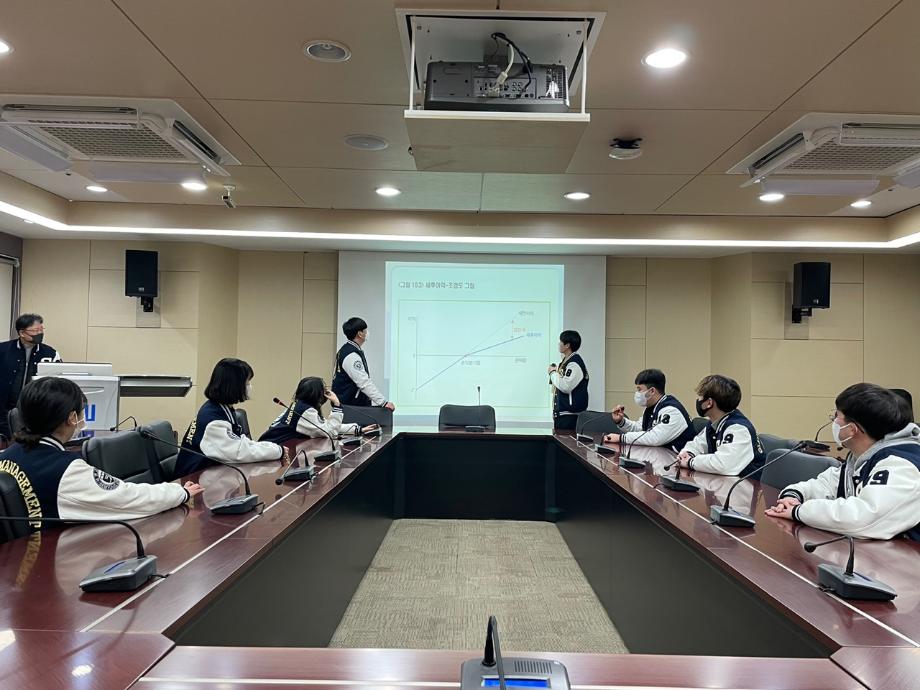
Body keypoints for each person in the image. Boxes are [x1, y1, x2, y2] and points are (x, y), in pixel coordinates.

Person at [0, 376, 202, 524]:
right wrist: (180, 492)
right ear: (72, 418)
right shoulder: (65, 470)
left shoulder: (7, 455)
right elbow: (128, 499)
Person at [766, 383, 920, 540]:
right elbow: (824, 485)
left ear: (852, 429)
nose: (833, 421)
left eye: (836, 416)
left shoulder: (901, 465)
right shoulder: (862, 456)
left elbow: (863, 519)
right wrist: (792, 497)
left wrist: (798, 511)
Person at [175, 358, 285, 478]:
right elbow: (239, 453)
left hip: (210, 474)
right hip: (194, 480)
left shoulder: (220, 407)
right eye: (247, 383)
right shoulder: (213, 419)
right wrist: (278, 451)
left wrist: (272, 448)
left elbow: (240, 442)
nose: (249, 386)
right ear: (234, 385)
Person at [675, 374, 765, 477]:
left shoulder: (738, 429)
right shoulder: (715, 423)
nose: (698, 400)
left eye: (700, 396)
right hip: (725, 481)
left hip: (749, 484)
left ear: (709, 403)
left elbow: (724, 465)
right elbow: (697, 444)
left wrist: (691, 462)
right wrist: (687, 454)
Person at [259, 376, 377, 443]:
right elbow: (330, 432)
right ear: (316, 394)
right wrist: (337, 405)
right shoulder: (305, 412)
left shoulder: (299, 406)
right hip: (273, 449)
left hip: (274, 446)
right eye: (323, 391)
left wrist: (357, 429)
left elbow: (324, 426)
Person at [602, 368, 696, 452]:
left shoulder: (672, 410)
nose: (637, 393)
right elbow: (640, 429)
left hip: (676, 460)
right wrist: (621, 422)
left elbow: (655, 438)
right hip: (659, 456)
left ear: (652, 391)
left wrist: (621, 438)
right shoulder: (651, 407)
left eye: (639, 389)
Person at [0, 313, 61, 438]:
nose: (40, 333)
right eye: (35, 330)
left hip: (36, 411)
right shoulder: (3, 350)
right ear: (22, 333)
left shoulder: (50, 353)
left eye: (41, 329)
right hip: (3, 410)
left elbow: (59, 381)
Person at [331, 317, 395, 411]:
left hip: (349, 404)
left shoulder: (347, 350)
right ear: (360, 334)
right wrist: (383, 402)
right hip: (350, 406)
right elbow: (363, 382)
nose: (367, 332)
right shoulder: (351, 355)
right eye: (365, 330)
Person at [549, 330, 589, 431]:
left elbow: (566, 386)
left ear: (567, 345)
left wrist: (552, 373)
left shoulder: (574, 364)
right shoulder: (566, 361)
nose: (559, 344)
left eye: (561, 341)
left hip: (569, 416)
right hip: (562, 415)